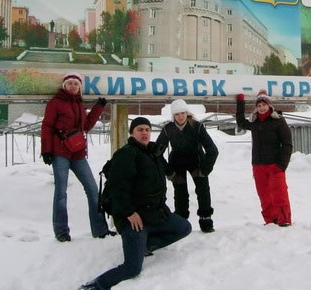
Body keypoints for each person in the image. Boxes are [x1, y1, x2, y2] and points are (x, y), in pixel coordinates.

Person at [80, 117, 192, 290]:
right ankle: (97, 285)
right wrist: (129, 213)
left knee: (184, 227)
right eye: (140, 129)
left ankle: (145, 245)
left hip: (155, 214)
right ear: (132, 133)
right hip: (133, 220)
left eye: (147, 129)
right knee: (132, 269)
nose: (145, 133)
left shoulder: (152, 153)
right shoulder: (126, 154)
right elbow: (118, 189)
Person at [40, 73, 112, 242]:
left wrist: (98, 108)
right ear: (64, 85)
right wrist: (46, 150)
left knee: (93, 189)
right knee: (61, 192)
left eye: (76, 84)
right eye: (70, 83)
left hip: (77, 152)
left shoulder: (79, 104)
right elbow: (47, 126)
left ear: (80, 87)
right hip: (60, 152)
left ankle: (100, 229)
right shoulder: (55, 103)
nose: (73, 86)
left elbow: (86, 126)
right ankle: (61, 231)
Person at [156, 99, 219, 233]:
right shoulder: (168, 129)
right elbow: (157, 153)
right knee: (180, 193)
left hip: (196, 161)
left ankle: (206, 219)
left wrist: (205, 169)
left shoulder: (197, 127)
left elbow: (212, 150)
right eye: (177, 114)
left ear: (187, 113)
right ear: (173, 116)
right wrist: (168, 171)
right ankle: (181, 221)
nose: (181, 116)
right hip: (177, 162)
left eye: (183, 113)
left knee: (202, 190)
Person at [235, 90, 293, 227]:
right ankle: (270, 220)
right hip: (258, 166)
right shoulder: (254, 122)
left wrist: (281, 166)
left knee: (279, 194)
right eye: (259, 105)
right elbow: (241, 122)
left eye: (264, 104)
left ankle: (284, 219)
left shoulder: (278, 120)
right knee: (264, 196)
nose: (261, 108)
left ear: (269, 105)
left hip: (275, 165)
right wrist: (240, 102)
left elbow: (287, 144)